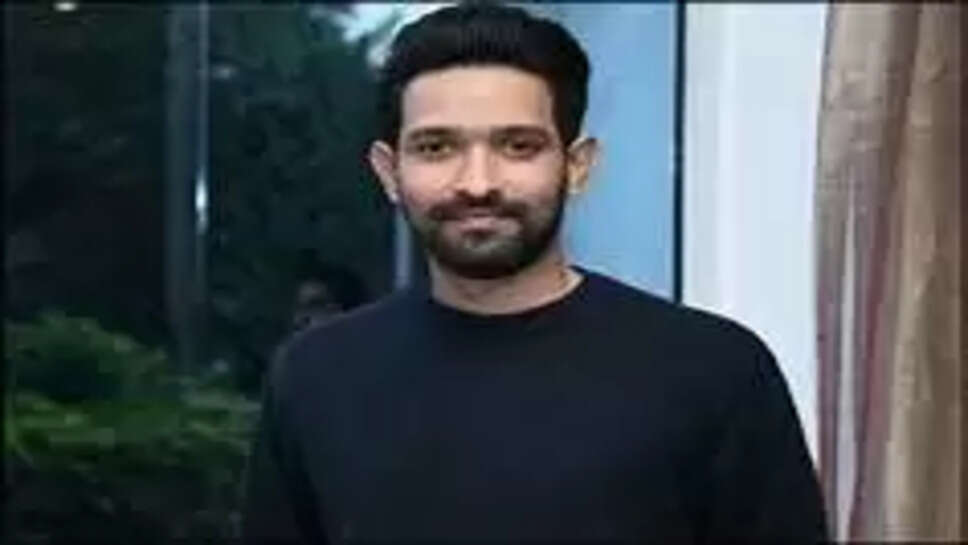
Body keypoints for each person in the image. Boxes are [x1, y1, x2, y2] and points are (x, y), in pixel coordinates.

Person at [240, 4, 829, 543]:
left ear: (578, 166)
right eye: (437, 147)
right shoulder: (315, 378)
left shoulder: (715, 372)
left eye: (518, 146)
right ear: (389, 172)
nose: (477, 183)